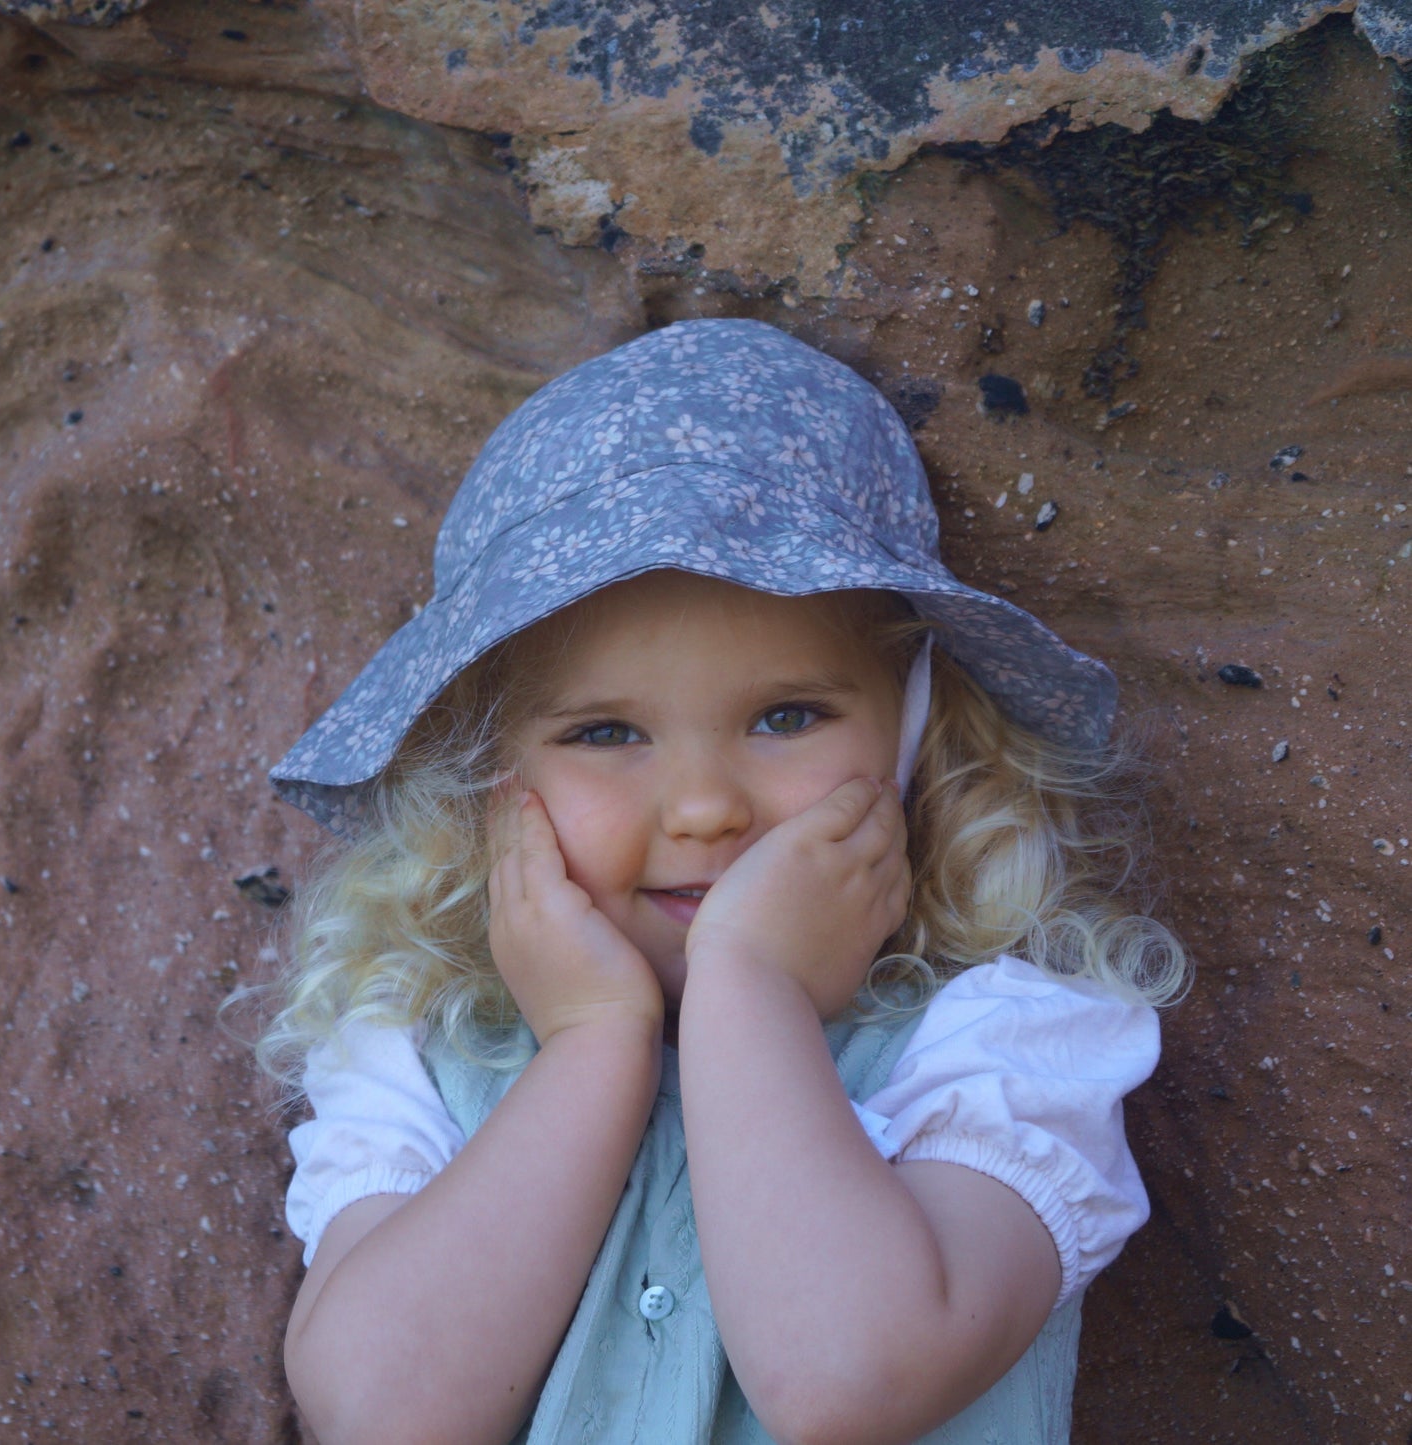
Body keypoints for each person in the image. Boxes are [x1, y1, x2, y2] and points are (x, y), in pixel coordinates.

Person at [260, 318, 1186, 1445]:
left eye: (786, 715)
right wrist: (593, 1037)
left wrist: (754, 989)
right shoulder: (418, 1058)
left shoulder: (998, 1048)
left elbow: (848, 1376)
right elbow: (388, 1414)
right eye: (605, 731)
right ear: (486, 782)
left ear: (915, 736)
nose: (704, 806)